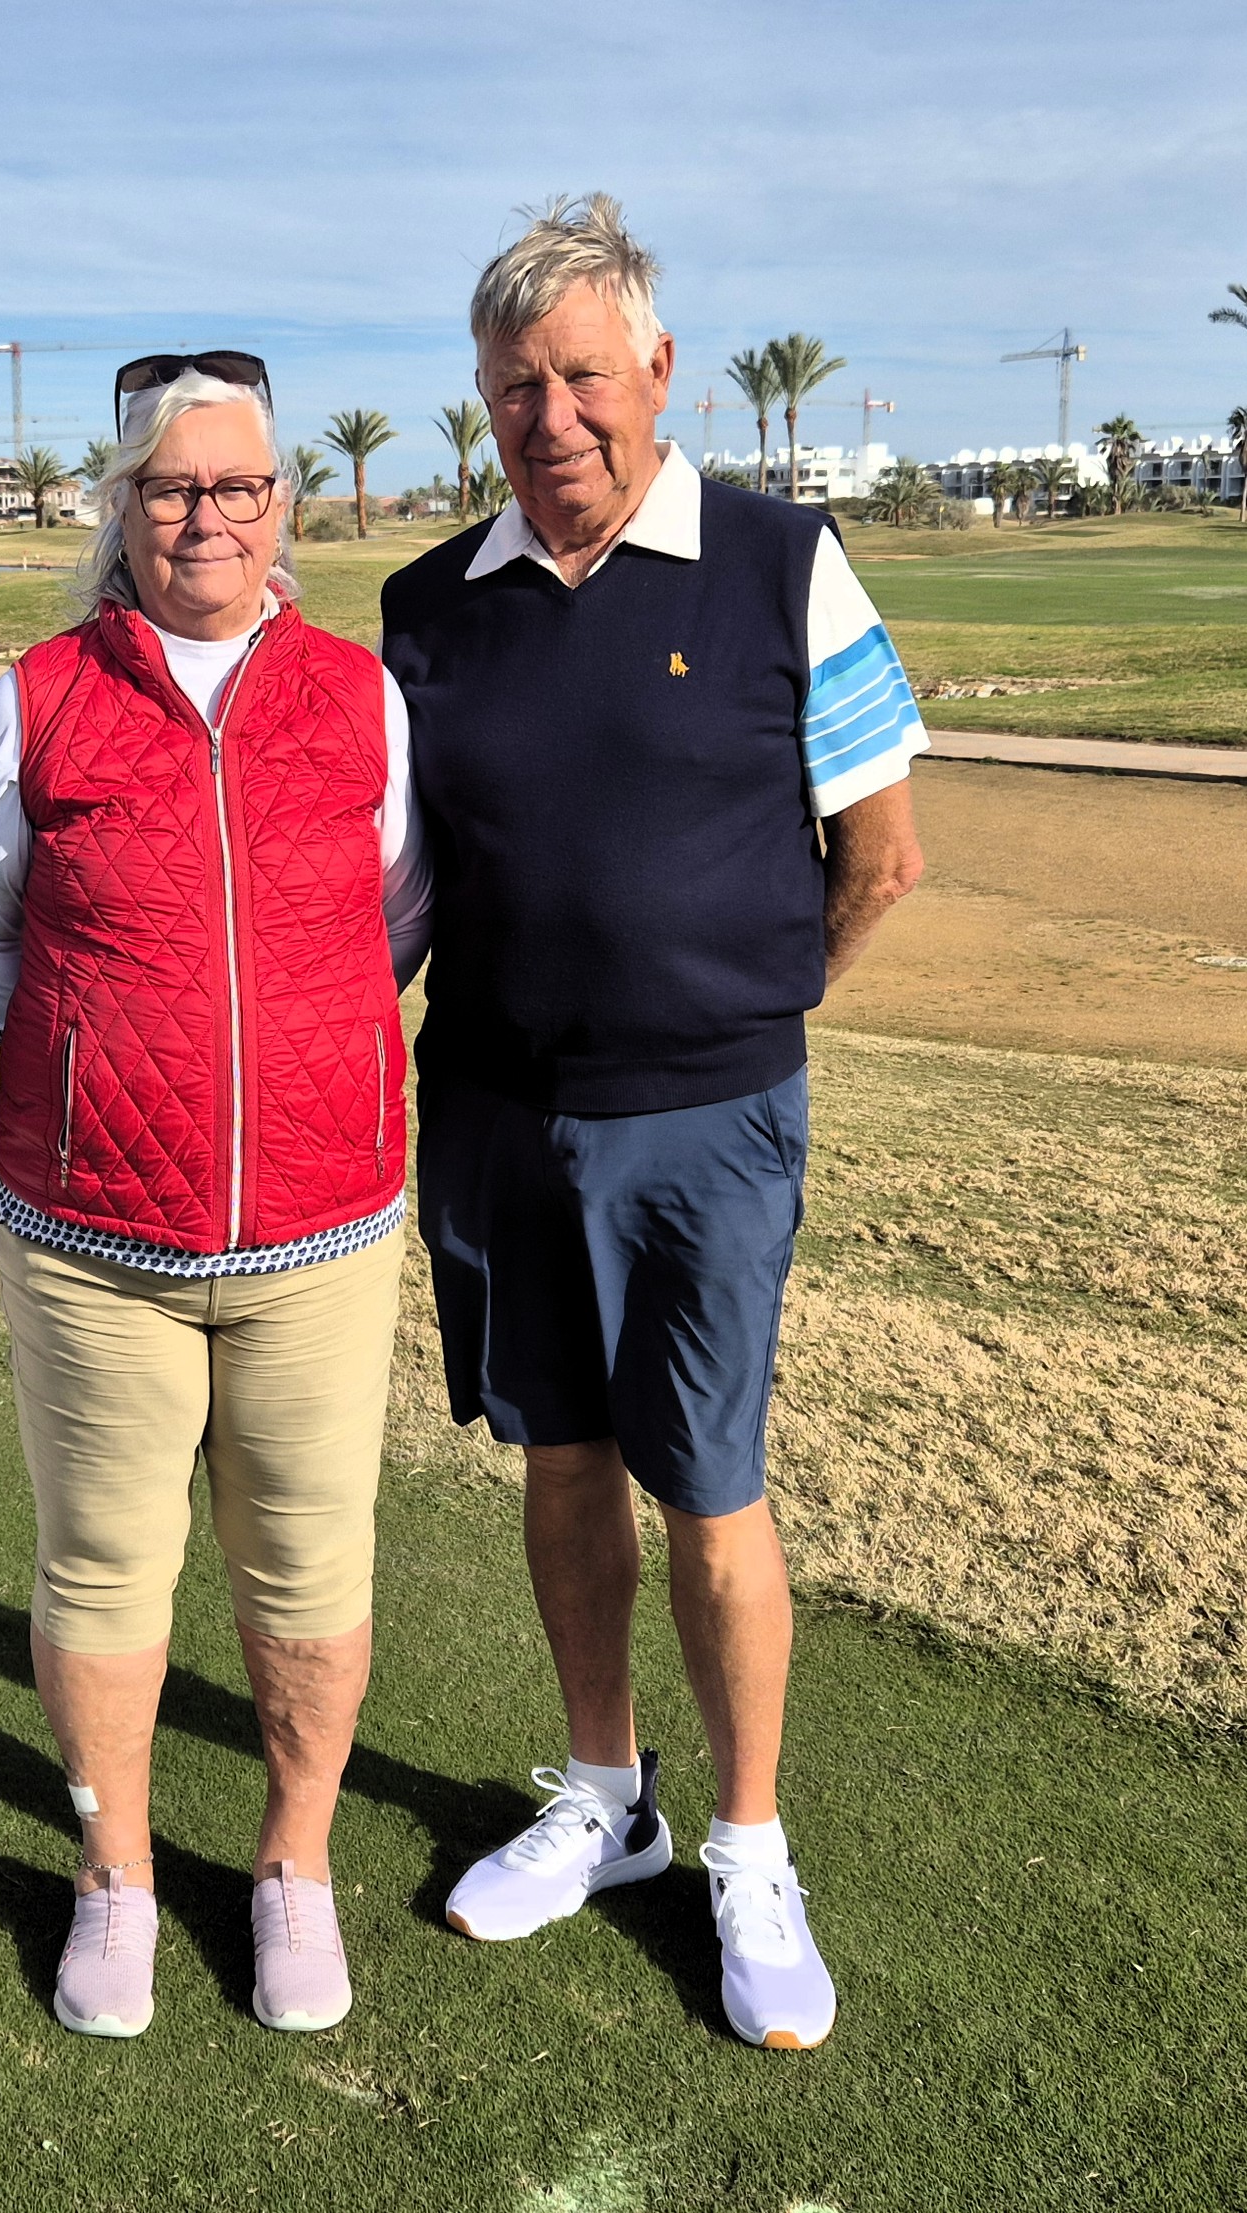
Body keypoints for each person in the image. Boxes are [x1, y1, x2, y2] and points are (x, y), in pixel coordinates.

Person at [380, 195, 926, 2052]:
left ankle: (747, 1847)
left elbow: (880, 855)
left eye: (582, 375)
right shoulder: (428, 606)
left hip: (706, 1120)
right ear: (481, 400)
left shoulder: (782, 561)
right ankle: (606, 1797)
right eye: (512, 386)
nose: (550, 418)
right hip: (494, 1111)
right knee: (559, 1460)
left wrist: (742, 1015)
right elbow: (409, 887)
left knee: (709, 1483)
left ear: (658, 371)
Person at [0, 354, 432, 2040]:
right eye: (169, 486)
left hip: (319, 1230)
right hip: (96, 1243)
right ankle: (116, 1873)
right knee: (101, 1568)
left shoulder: (357, 696)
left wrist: (297, 1049)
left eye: (234, 484)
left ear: (281, 502)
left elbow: (394, 916)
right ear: (123, 505)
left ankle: (294, 1864)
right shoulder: (38, 697)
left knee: (306, 1567)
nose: (203, 514)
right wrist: (93, 1056)